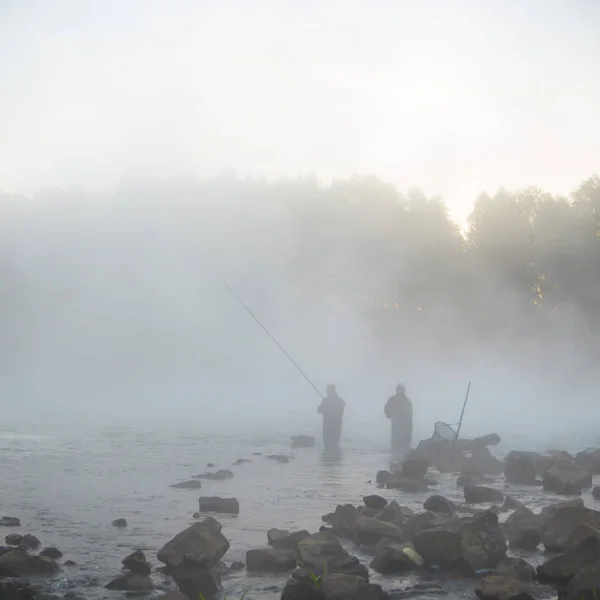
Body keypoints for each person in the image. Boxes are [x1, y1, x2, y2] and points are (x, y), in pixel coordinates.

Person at [384, 383, 413, 456]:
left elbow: (410, 415)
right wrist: (391, 416)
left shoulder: (407, 401)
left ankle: (403, 461)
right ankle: (395, 461)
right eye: (399, 390)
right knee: (395, 446)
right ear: (397, 390)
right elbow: (386, 410)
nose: (401, 391)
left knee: (405, 447)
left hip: (406, 427)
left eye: (402, 390)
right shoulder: (392, 399)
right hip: (396, 426)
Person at [317, 384, 345, 451]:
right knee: (330, 445)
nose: (327, 392)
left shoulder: (337, 401)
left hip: (333, 426)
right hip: (331, 426)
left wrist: (327, 409)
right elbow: (319, 410)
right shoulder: (338, 400)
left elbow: (320, 410)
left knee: (331, 445)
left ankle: (330, 459)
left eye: (328, 390)